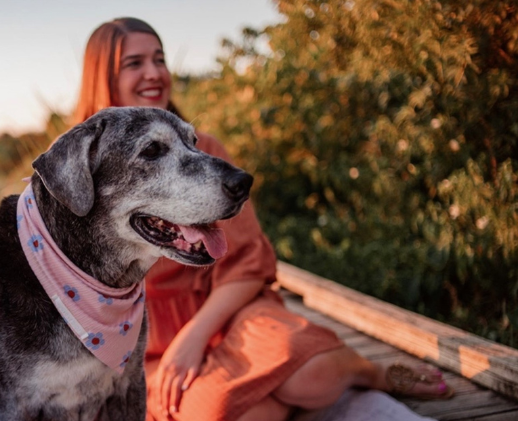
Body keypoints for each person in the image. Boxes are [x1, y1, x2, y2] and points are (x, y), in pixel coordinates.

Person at [71, 17, 453, 421]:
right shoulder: (79, 171)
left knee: (312, 372)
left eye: (159, 59)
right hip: (142, 347)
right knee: (229, 411)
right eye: (134, 63)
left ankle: (372, 373)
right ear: (104, 76)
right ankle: (279, 399)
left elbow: (247, 262)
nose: (153, 73)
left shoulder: (206, 151)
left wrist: (194, 339)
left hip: (228, 312)